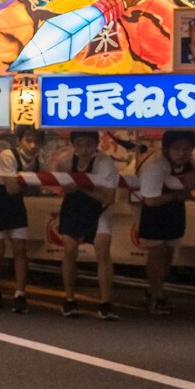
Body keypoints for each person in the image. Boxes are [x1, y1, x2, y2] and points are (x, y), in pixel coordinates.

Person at [136, 130, 195, 317]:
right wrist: (177, 195)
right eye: (176, 149)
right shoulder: (155, 166)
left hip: (175, 209)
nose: (182, 153)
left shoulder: (194, 156)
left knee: (169, 250)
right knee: (157, 251)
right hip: (155, 210)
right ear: (166, 149)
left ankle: (158, 290)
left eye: (186, 149)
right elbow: (150, 201)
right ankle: (155, 294)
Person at [51, 128, 118, 320]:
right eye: (79, 144)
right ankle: (70, 300)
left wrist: (80, 186)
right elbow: (62, 186)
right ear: (73, 144)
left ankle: (106, 303)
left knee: (102, 249)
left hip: (99, 208)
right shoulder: (64, 160)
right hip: (74, 207)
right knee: (69, 249)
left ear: (96, 144)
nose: (84, 149)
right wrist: (76, 187)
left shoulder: (105, 163)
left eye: (89, 144)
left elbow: (109, 197)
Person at [0, 128, 42, 313]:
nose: (33, 145)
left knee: (20, 249)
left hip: (15, 204)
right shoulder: (7, 156)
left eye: (37, 141)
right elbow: (10, 188)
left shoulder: (36, 162)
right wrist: (28, 186)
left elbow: (21, 189)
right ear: (19, 140)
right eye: (29, 140)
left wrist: (25, 186)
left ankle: (20, 294)